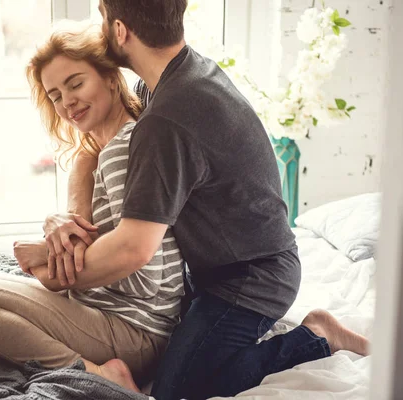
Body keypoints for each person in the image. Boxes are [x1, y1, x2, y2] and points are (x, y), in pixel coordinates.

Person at [33, 2, 369, 399]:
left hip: (252, 278)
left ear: (120, 31)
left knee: (175, 392)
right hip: (214, 270)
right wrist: (71, 215)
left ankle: (317, 335)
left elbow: (133, 250)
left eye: (103, 18)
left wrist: (52, 273)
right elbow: (92, 145)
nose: (99, 29)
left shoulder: (167, 118)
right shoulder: (174, 76)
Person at [0, 21, 184, 392]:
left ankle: (99, 375)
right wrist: (56, 237)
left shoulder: (122, 151)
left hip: (134, 329)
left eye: (75, 84)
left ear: (110, 77)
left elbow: (144, 274)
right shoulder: (102, 150)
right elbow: (92, 227)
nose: (67, 101)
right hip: (100, 313)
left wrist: (46, 261)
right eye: (55, 94)